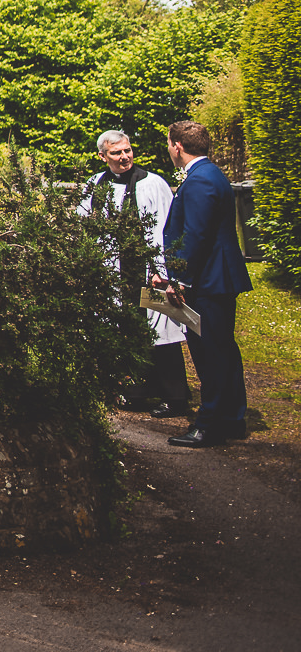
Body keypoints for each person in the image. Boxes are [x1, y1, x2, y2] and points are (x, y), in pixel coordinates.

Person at [156, 120, 253, 447]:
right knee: (224, 348)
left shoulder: (199, 182)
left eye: (169, 143)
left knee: (210, 351)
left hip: (209, 279)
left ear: (178, 146)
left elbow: (196, 235)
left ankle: (208, 425)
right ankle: (231, 418)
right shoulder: (211, 174)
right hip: (218, 276)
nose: (169, 148)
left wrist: (179, 279)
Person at [83, 129, 189, 416]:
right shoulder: (95, 184)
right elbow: (84, 224)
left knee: (160, 335)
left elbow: (167, 229)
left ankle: (175, 396)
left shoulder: (152, 183)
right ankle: (135, 392)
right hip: (113, 273)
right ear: (103, 156)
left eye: (127, 150)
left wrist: (164, 270)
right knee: (125, 334)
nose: (124, 157)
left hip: (147, 271)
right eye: (116, 153)